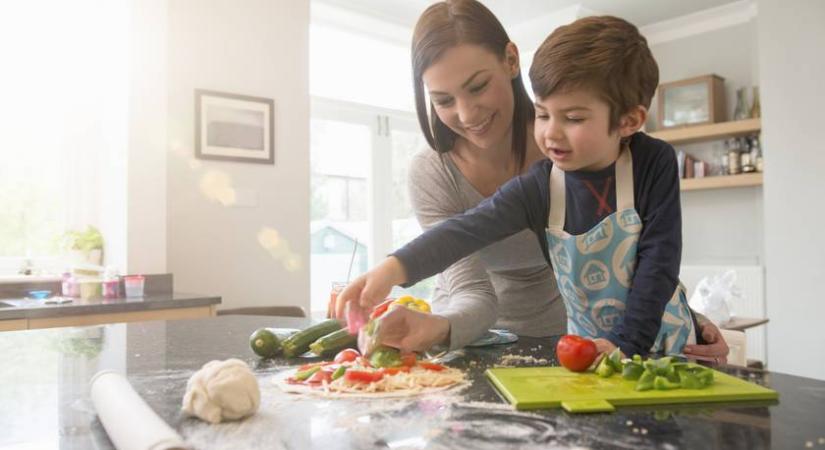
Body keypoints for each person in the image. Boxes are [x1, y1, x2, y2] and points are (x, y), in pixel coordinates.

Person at [332, 1, 729, 362]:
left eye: (572, 118)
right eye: (543, 114)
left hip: (641, 347)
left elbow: (656, 262)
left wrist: (657, 332)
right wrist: (389, 270)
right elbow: (464, 232)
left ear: (628, 121)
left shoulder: (651, 161)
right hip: (570, 351)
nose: (552, 135)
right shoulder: (541, 182)